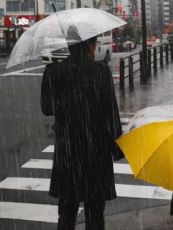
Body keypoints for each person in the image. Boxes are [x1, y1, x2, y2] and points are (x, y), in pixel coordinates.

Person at [41, 35, 123, 230]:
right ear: (89, 46)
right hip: (96, 150)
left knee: (67, 212)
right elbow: (111, 113)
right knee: (95, 213)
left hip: (68, 150)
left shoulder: (56, 71)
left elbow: (47, 108)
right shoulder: (101, 72)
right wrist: (117, 147)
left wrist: (51, 72)